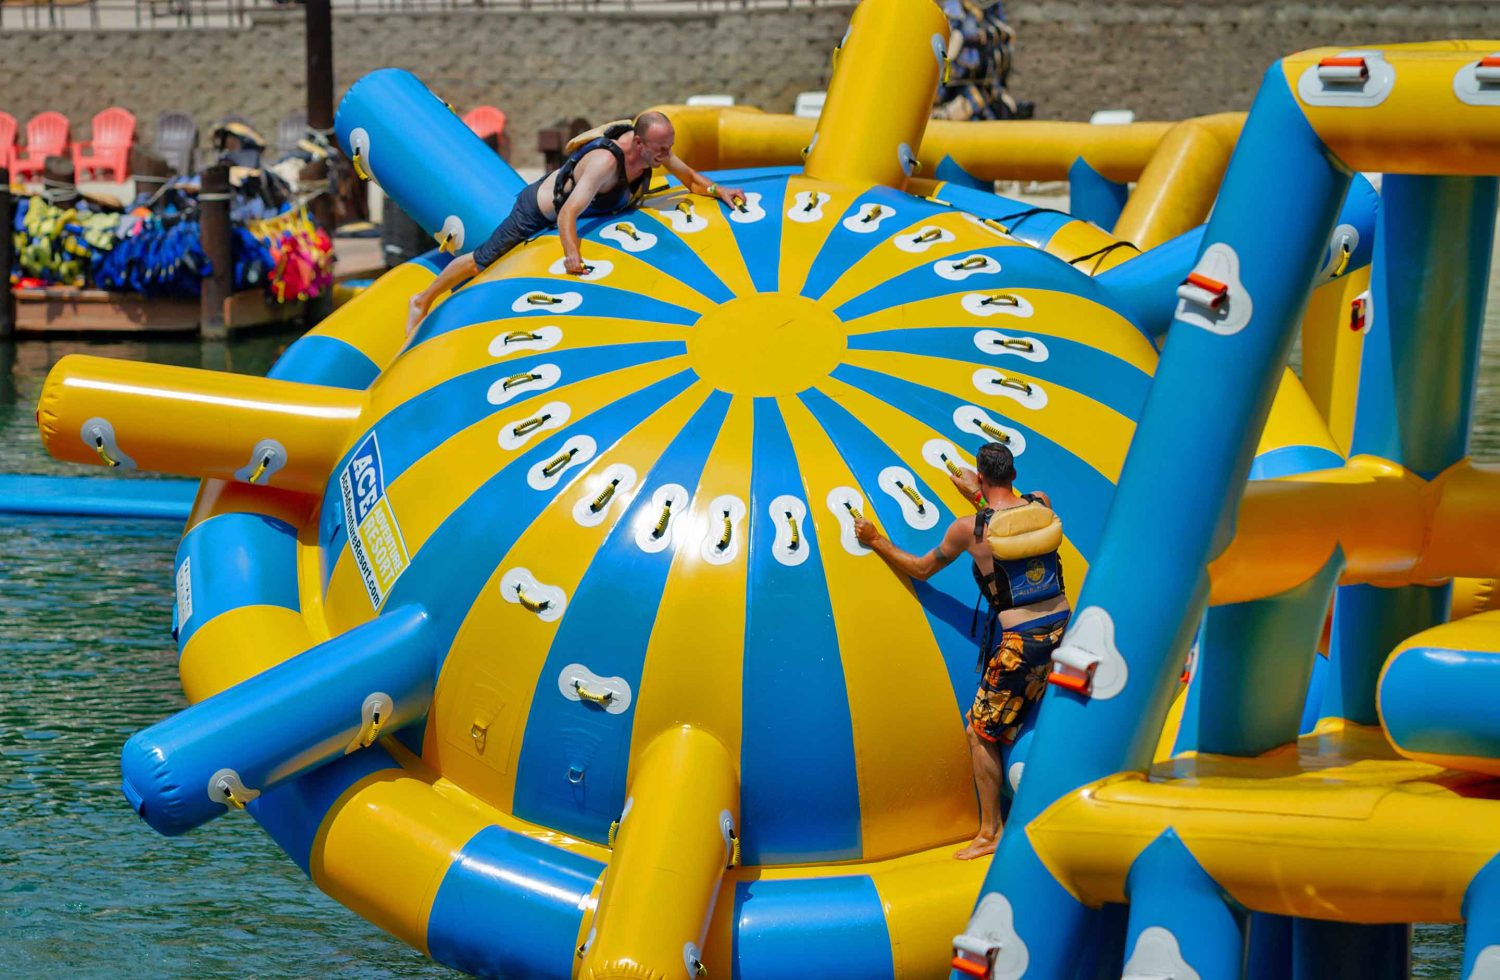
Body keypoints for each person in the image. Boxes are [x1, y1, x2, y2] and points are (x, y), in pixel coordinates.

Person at [853, 442, 1069, 860]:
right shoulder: (1041, 503)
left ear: (982, 478)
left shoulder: (967, 530)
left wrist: (875, 538)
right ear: (1014, 475)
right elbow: (1013, 518)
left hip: (1021, 646)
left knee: (980, 731)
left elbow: (921, 568)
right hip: (1064, 632)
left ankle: (991, 831)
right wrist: (979, 492)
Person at [405, 110, 744, 336]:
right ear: (639, 143)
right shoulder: (605, 164)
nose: (666, 154)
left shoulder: (656, 150)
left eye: (668, 147)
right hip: (539, 210)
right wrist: (572, 254)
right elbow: (568, 212)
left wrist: (720, 191)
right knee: (482, 261)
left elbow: (691, 180)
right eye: (660, 148)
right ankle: (423, 298)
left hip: (588, 208)